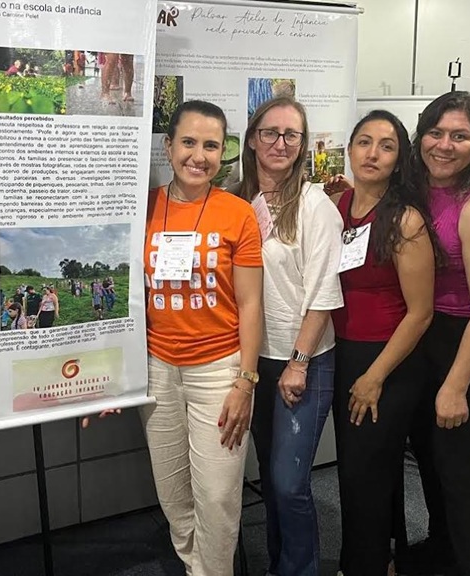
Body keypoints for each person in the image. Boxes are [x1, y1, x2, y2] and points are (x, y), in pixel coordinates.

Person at [139, 100, 263, 575]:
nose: (199, 156)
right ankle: (197, 566)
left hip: (219, 371)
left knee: (217, 496)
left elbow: (251, 304)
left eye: (211, 145)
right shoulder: (144, 207)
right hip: (157, 370)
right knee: (173, 494)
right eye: (188, 142)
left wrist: (245, 381)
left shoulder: (237, 214)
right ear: (168, 146)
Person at [400, 92, 470, 576]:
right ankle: (441, 548)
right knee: (427, 456)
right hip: (420, 333)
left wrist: (456, 385)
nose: (444, 145)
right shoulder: (416, 187)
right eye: (436, 133)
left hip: (462, 338)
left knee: (455, 463)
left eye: (459, 136)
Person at [235, 97, 344, 576]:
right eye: (270, 133)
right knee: (270, 474)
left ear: (302, 145)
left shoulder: (315, 206)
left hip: (304, 358)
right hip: (253, 360)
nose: (280, 143)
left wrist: (298, 362)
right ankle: (279, 563)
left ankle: (299, 570)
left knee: (288, 482)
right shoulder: (237, 202)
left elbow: (323, 291)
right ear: (252, 139)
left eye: (291, 135)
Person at [330, 110, 436, 576]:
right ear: (349, 149)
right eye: (364, 142)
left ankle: (362, 566)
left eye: (386, 146)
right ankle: (383, 559)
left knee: (363, 474)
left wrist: (374, 376)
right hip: (342, 350)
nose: (373, 153)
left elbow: (421, 312)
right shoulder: (337, 206)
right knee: (369, 469)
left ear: (399, 159)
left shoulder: (405, 220)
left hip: (387, 359)